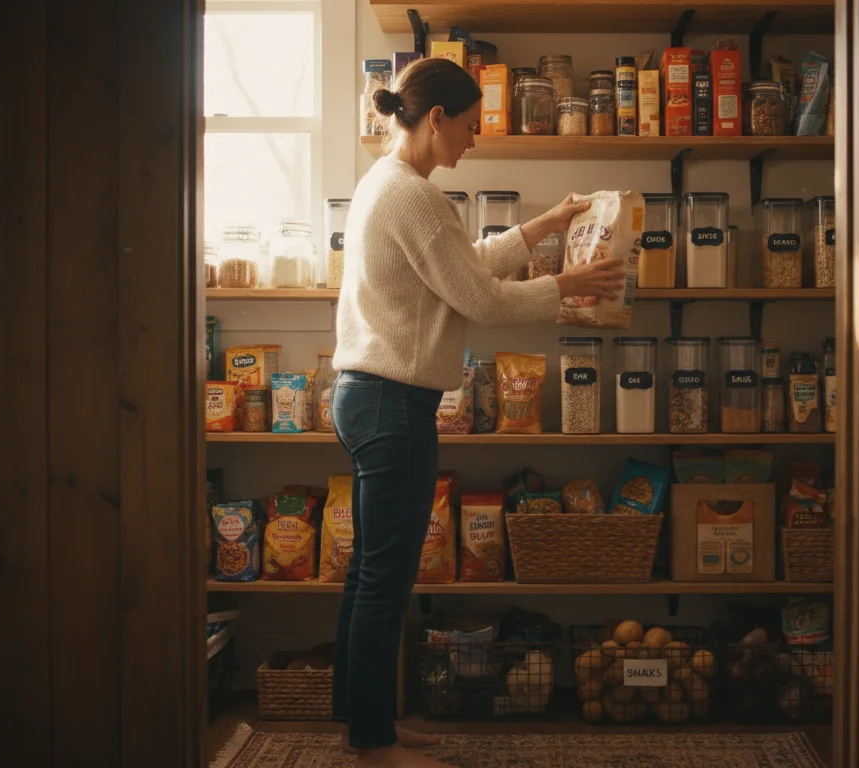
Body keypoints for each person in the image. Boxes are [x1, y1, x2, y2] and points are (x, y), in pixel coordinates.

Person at [328, 57, 625, 768]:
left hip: (370, 398)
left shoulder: (388, 184)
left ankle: (363, 722)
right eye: (468, 125)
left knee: (370, 573)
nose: (472, 139)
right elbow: (483, 300)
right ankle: (372, 743)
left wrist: (545, 224)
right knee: (385, 580)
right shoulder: (415, 198)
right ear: (436, 119)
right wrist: (567, 283)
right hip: (392, 404)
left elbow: (464, 265)